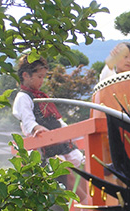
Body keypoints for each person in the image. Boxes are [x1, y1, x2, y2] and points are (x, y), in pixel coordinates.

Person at [12, 55, 85, 195]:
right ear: (26, 75)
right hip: (44, 146)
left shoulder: (42, 97)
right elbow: (28, 120)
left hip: (58, 141)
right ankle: (85, 203)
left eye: (43, 77)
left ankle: (88, 203)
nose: (42, 81)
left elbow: (57, 120)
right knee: (66, 173)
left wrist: (70, 132)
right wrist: (36, 128)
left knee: (81, 167)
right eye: (39, 77)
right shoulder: (23, 97)